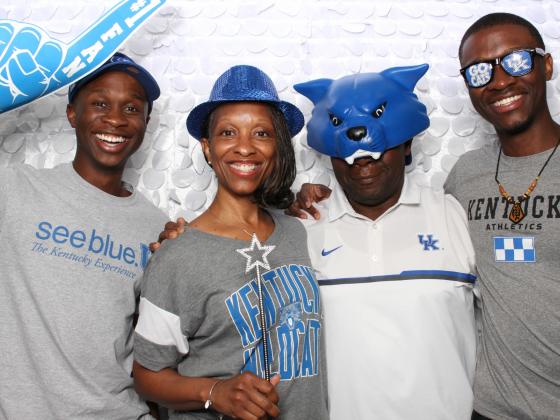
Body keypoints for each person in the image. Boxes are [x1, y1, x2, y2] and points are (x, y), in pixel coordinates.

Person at [156, 65, 477, 420]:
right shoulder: (302, 228)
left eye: (260, 133)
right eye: (229, 133)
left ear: (407, 144)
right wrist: (180, 247)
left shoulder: (457, 216)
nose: (363, 157)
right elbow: (222, 257)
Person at [132, 65, 328, 420]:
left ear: (278, 146)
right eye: (227, 133)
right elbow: (146, 376)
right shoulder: (176, 255)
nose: (244, 148)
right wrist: (215, 392)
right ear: (207, 148)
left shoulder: (298, 231)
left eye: (261, 133)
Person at [0, 53, 167, 418]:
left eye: (132, 108)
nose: (115, 119)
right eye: (100, 104)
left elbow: (155, 348)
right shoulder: (13, 189)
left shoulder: (156, 226)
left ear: (145, 122)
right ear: (73, 113)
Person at [445, 13, 560, 419]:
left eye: (515, 61)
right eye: (479, 71)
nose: (498, 81)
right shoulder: (465, 175)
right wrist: (320, 199)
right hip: (490, 410)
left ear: (545, 65)